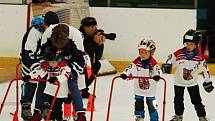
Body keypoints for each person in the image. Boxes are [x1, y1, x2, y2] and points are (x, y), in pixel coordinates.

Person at [162, 29, 214, 121]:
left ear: (197, 44)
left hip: (192, 83)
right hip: (179, 82)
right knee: (178, 100)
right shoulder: (178, 53)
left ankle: (202, 117)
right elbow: (170, 59)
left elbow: (205, 70)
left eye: (191, 44)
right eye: (187, 43)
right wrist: (168, 64)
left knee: (197, 100)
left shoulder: (200, 57)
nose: (189, 46)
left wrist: (207, 81)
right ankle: (178, 116)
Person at [41, 23, 87, 121]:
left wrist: (72, 72)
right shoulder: (48, 33)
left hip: (69, 65)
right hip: (56, 64)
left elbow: (81, 60)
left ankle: (80, 112)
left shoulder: (76, 36)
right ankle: (44, 108)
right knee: (44, 82)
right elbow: (41, 55)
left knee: (72, 83)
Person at [20, 11, 59, 120]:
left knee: (47, 83)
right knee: (30, 82)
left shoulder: (55, 31)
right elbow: (27, 53)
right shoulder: (35, 31)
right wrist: (35, 67)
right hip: (30, 60)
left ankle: (45, 105)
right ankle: (25, 105)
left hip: (44, 61)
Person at [24, 46, 71, 120]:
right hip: (50, 91)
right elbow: (39, 72)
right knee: (50, 108)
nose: (50, 64)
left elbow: (65, 75)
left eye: (52, 62)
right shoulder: (47, 66)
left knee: (57, 108)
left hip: (60, 92)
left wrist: (57, 79)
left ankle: (58, 119)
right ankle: (51, 118)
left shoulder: (64, 67)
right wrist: (29, 76)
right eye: (49, 62)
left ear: (59, 60)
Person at [120, 39, 161, 121]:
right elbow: (130, 68)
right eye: (141, 52)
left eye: (145, 52)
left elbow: (158, 70)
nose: (143, 55)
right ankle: (139, 117)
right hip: (138, 89)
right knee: (138, 103)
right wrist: (125, 74)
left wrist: (157, 75)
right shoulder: (137, 61)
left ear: (151, 52)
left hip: (150, 90)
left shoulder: (153, 62)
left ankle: (154, 118)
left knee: (151, 105)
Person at [79, 17, 105, 98]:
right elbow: (82, 52)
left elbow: (98, 57)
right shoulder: (79, 35)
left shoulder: (94, 35)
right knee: (84, 66)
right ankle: (78, 90)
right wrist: (94, 43)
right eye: (92, 27)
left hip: (87, 62)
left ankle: (84, 89)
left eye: (95, 26)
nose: (95, 29)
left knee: (97, 64)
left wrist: (100, 44)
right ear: (86, 28)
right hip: (76, 61)